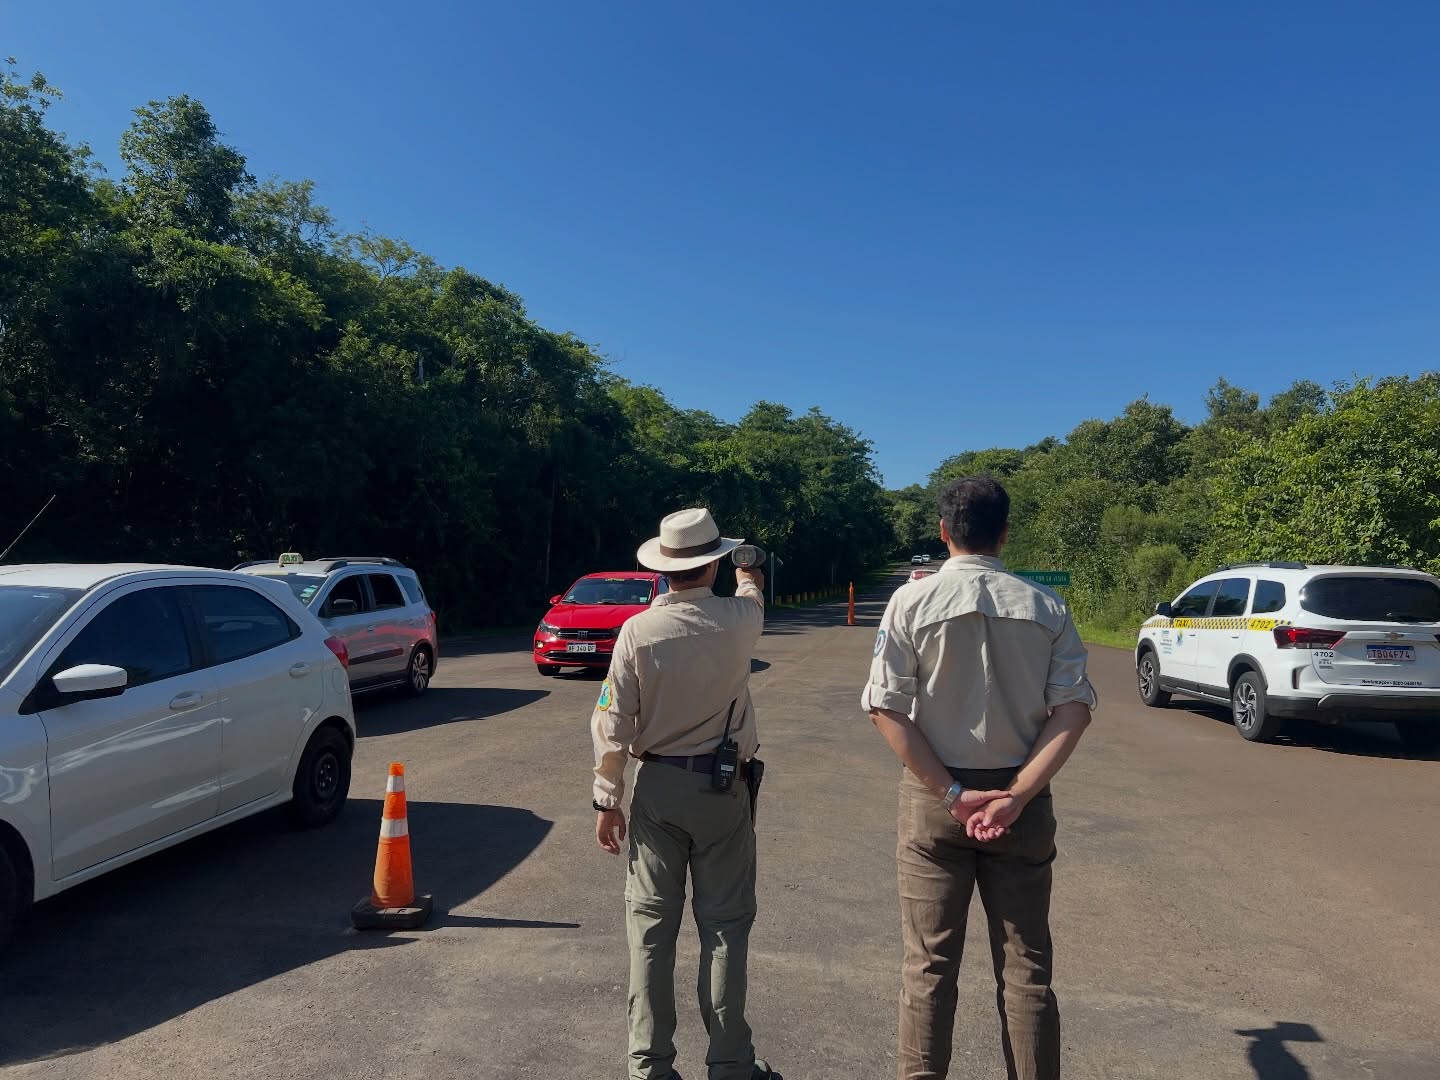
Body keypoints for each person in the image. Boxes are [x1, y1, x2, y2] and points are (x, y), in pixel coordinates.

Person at [861, 474, 1097, 1080]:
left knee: (928, 968)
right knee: (1027, 970)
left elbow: (885, 707)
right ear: (1004, 533)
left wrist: (952, 793)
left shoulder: (911, 602)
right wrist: (1016, 795)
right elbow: (1073, 710)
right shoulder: (1046, 607)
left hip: (936, 796)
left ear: (944, 532)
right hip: (1021, 797)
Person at [591, 507, 782, 1080]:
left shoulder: (638, 631)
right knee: (725, 926)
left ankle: (649, 1064)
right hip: (723, 788)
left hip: (658, 786)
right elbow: (752, 597)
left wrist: (607, 798)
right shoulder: (739, 620)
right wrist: (749, 573)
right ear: (715, 564)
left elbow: (612, 721)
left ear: (662, 568)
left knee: (650, 928)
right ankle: (730, 1063)